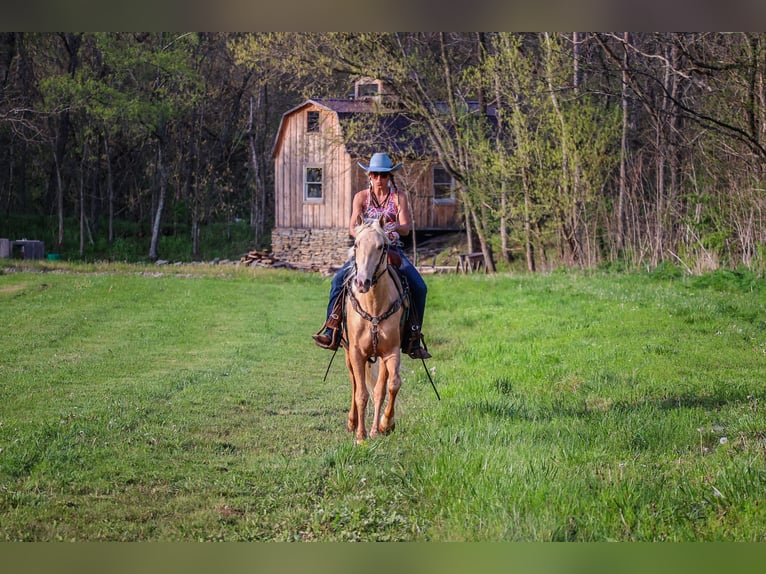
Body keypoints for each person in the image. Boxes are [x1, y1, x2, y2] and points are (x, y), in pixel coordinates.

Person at [312, 152, 431, 359]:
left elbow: (406, 228)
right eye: (375, 174)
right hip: (365, 251)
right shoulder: (361, 197)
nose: (379, 179)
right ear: (369, 175)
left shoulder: (398, 197)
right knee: (338, 280)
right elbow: (351, 227)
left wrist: (390, 227)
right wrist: (364, 231)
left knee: (419, 287)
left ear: (389, 177)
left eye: (383, 175)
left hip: (390, 249)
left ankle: (413, 335)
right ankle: (332, 328)